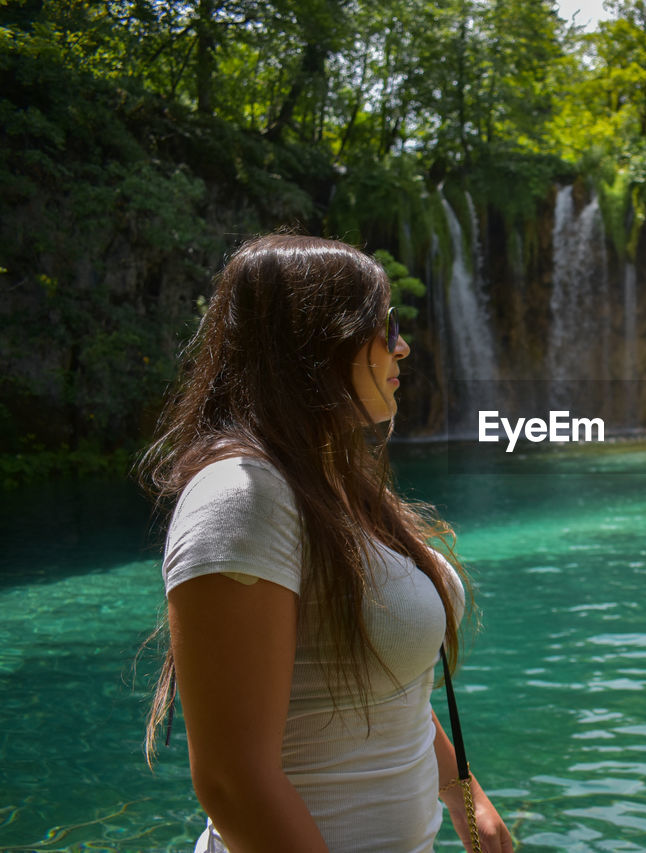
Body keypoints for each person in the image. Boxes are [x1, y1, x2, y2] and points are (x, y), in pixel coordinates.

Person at [139, 234, 513, 853]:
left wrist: (461, 790)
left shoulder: (334, 488)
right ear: (318, 343)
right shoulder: (241, 496)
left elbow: (377, 677)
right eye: (383, 325)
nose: (403, 345)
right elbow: (232, 781)